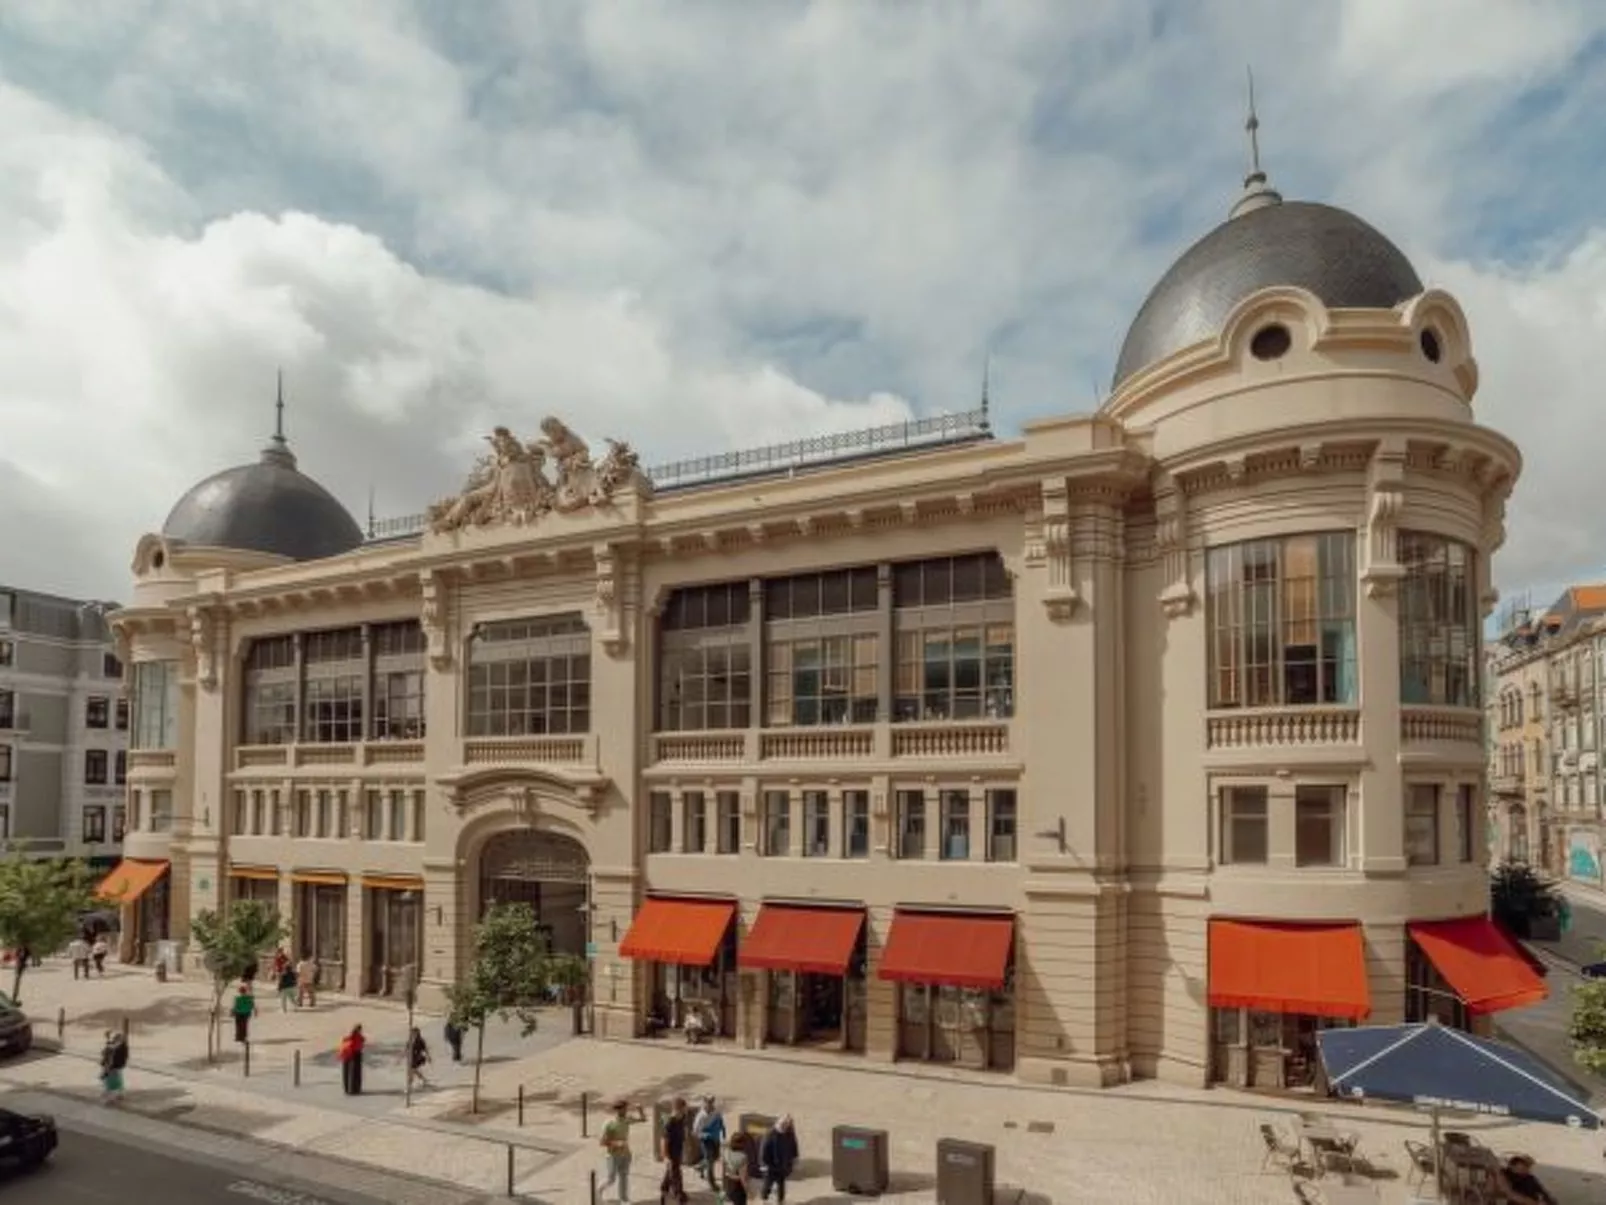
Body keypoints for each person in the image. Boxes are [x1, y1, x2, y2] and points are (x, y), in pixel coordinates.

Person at [599, 1096, 646, 1204]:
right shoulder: (609, 1124)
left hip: (626, 1154)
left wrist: (640, 1110)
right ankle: (599, 1189)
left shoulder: (626, 1119)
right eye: (624, 1109)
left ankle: (623, 1199)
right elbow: (602, 1142)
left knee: (624, 1177)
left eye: (626, 1108)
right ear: (618, 1110)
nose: (626, 1111)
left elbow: (643, 1120)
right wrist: (617, 1143)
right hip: (613, 1155)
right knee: (611, 1179)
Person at [758, 1115, 799, 1204]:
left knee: (781, 1183)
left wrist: (794, 1158)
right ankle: (764, 1199)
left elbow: (793, 1145)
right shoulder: (770, 1135)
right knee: (768, 1183)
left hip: (782, 1164)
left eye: (787, 1125)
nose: (786, 1128)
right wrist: (764, 1164)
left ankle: (781, 1201)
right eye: (785, 1125)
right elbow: (763, 1150)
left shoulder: (789, 1133)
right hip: (771, 1165)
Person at [658, 1095, 689, 1205]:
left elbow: (683, 1131)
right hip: (671, 1152)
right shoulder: (669, 1123)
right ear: (679, 1108)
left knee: (671, 1172)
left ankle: (664, 1189)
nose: (686, 1110)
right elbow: (663, 1140)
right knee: (676, 1174)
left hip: (678, 1150)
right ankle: (679, 1195)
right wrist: (665, 1156)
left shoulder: (682, 1118)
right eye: (685, 1107)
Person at [692, 1095, 726, 1191]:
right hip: (707, 1141)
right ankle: (712, 1183)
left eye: (711, 1103)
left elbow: (720, 1121)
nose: (710, 1105)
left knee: (715, 1157)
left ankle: (700, 1167)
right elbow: (695, 1132)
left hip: (716, 1138)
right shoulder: (701, 1117)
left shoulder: (716, 1112)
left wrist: (723, 1131)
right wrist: (705, 1135)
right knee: (710, 1161)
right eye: (708, 1103)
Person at [721, 1131, 752, 1205]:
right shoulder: (743, 1157)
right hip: (738, 1187)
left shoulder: (726, 1152)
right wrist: (748, 1190)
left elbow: (723, 1171)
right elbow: (742, 1177)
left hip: (728, 1184)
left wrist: (723, 1187)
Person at [99, 1030, 128, 1104]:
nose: (114, 1040)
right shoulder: (117, 1046)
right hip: (114, 1066)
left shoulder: (117, 1048)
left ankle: (111, 1098)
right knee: (115, 1081)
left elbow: (109, 1057)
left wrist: (108, 1068)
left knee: (111, 1083)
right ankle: (118, 1094)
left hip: (113, 1067)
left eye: (115, 1038)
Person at [338, 1024, 365, 1095]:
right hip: (355, 1054)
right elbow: (361, 1042)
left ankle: (347, 1089)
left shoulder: (347, 1038)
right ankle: (354, 1089)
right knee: (355, 1072)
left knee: (347, 1072)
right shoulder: (357, 1037)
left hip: (346, 1055)